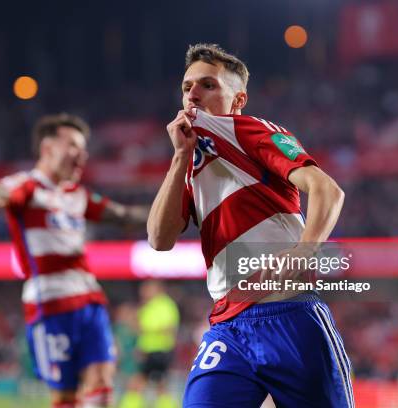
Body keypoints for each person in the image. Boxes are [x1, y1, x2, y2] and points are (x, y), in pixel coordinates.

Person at [147, 44, 354, 407]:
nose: (192, 94)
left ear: (238, 99)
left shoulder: (250, 130)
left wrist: (304, 252)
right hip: (228, 326)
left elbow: (327, 190)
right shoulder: (189, 162)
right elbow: (159, 239)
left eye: (208, 85)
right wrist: (179, 157)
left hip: (289, 312)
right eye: (186, 86)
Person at [0, 113, 148, 408]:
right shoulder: (27, 186)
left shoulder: (77, 195)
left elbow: (125, 216)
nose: (83, 155)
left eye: (84, 148)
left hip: (91, 301)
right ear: (47, 148)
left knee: (103, 384)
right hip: (50, 305)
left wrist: (180, 208)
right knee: (65, 398)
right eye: (73, 146)